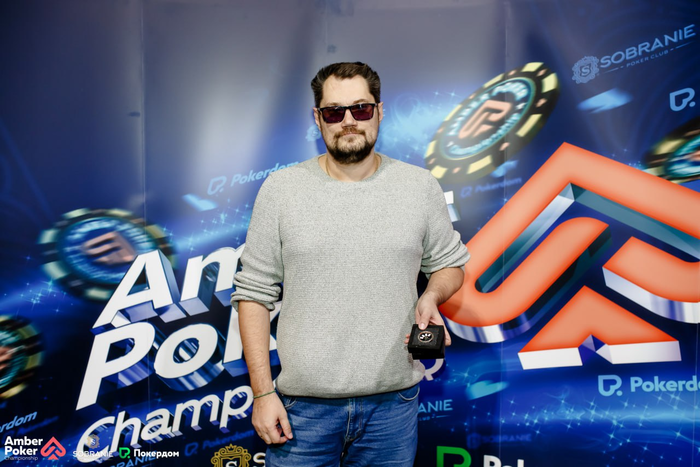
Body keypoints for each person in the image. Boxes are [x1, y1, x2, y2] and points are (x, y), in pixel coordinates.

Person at [231, 61, 470, 466]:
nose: (348, 121)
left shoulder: (419, 186)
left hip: (393, 410)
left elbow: (449, 265)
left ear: (379, 111)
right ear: (317, 118)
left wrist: (432, 294)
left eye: (360, 108)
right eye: (333, 112)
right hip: (300, 413)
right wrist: (262, 393)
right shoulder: (281, 190)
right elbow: (253, 295)